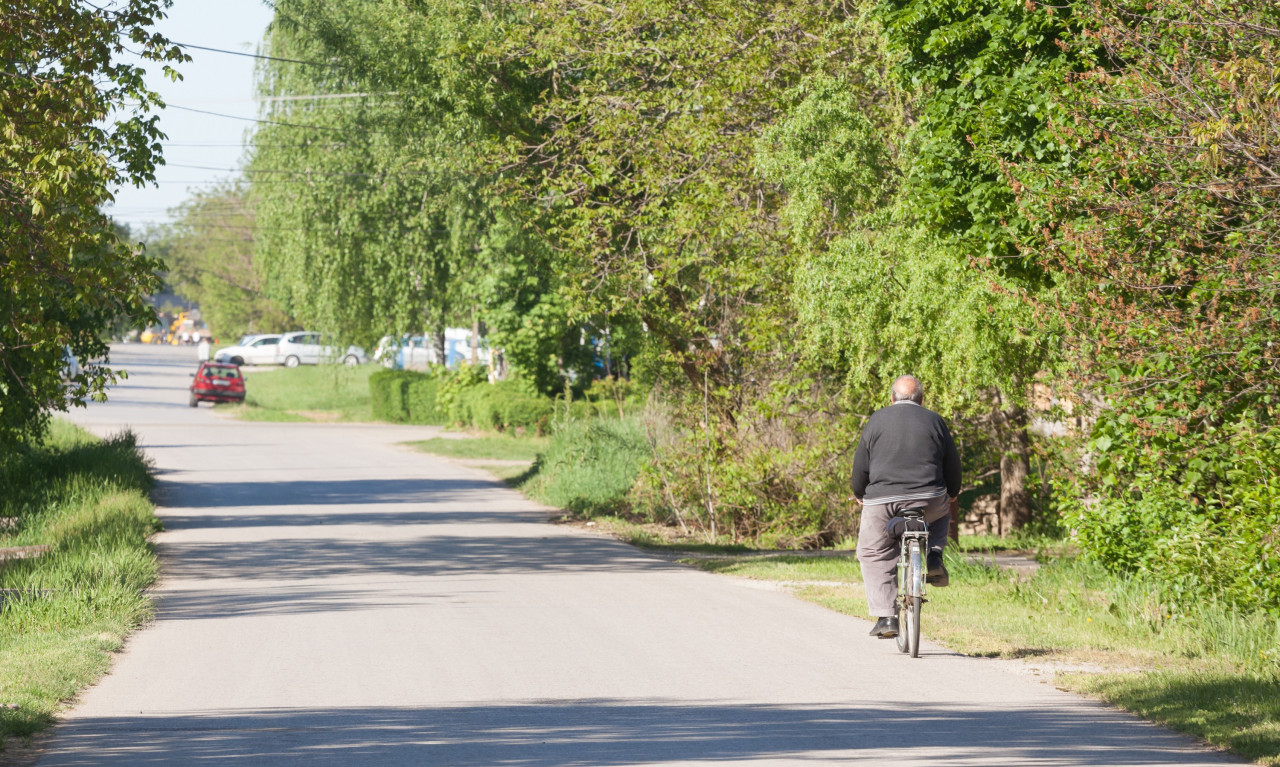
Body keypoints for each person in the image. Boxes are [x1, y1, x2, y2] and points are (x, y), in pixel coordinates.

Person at [851, 375, 961, 639]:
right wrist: (953, 493)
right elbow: (952, 464)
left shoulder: (876, 419)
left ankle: (887, 617)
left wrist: (859, 493)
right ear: (921, 400)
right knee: (941, 512)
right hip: (929, 498)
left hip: (882, 500)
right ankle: (934, 554)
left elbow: (860, 467)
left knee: (872, 551)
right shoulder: (935, 420)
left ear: (892, 399)